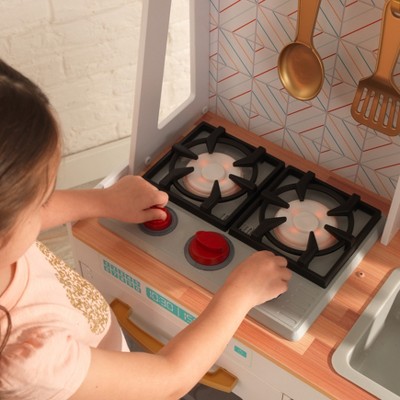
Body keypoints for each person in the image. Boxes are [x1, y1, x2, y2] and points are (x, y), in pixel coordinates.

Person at [0, 58, 292, 400]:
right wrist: (239, 293)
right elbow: (169, 380)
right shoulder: (28, 360)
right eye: (41, 200)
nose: (47, 205)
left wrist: (103, 201)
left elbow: (23, 212)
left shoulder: (8, 246)